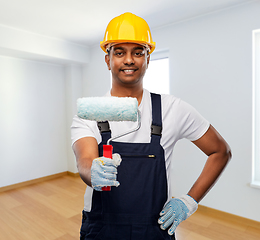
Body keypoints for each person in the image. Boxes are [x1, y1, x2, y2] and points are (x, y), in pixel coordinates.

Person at [71, 12, 231, 240]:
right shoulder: (90, 113)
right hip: (101, 228)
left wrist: (189, 201)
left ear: (148, 59)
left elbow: (220, 151)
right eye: (119, 52)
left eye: (138, 52)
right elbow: (84, 160)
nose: (129, 60)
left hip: (155, 229)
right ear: (107, 60)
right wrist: (92, 172)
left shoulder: (172, 108)